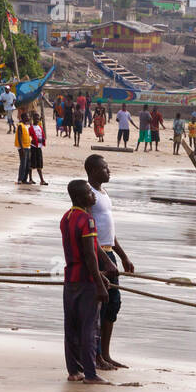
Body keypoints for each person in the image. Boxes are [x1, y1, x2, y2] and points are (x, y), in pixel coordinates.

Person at [85, 154, 135, 371]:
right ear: (93, 171)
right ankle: (95, 355)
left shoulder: (104, 193)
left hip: (109, 254)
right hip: (97, 255)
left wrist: (123, 256)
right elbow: (89, 233)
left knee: (113, 304)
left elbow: (108, 231)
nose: (109, 171)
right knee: (99, 306)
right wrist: (105, 261)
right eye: (105, 168)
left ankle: (105, 354)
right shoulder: (88, 194)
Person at [60, 179, 112, 384]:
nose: (93, 196)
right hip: (86, 279)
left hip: (70, 277)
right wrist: (99, 283)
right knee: (89, 328)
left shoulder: (66, 217)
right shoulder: (87, 220)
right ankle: (90, 374)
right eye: (90, 193)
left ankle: (74, 371)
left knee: (71, 327)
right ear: (82, 197)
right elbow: (90, 255)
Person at [29, 113, 48, 185]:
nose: (37, 120)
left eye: (38, 118)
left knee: (39, 164)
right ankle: (31, 178)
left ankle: (41, 180)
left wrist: (42, 140)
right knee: (31, 163)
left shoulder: (40, 127)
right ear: (33, 119)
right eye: (35, 118)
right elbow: (30, 138)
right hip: (33, 146)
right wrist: (36, 140)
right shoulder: (31, 128)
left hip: (39, 147)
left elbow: (43, 136)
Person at [15, 112, 33, 184]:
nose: (28, 118)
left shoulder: (26, 126)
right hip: (23, 147)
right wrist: (21, 148)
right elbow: (19, 137)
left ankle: (24, 179)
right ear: (23, 118)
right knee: (23, 163)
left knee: (28, 164)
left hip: (28, 146)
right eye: (27, 117)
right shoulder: (20, 125)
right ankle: (20, 179)